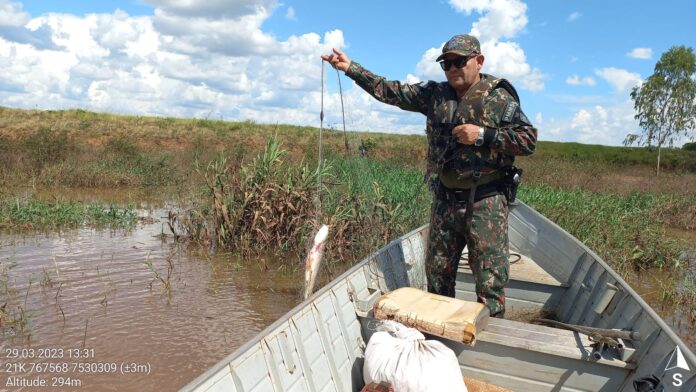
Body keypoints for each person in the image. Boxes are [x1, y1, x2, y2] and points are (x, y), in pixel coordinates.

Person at [322, 34, 536, 318]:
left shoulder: (498, 98)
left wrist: (482, 135)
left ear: (479, 61)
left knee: (490, 278)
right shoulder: (435, 94)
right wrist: (350, 68)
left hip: (485, 201)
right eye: (446, 64)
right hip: (445, 200)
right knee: (437, 273)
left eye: (459, 61)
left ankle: (489, 338)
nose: (452, 68)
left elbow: (528, 140)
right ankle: (440, 337)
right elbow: (391, 91)